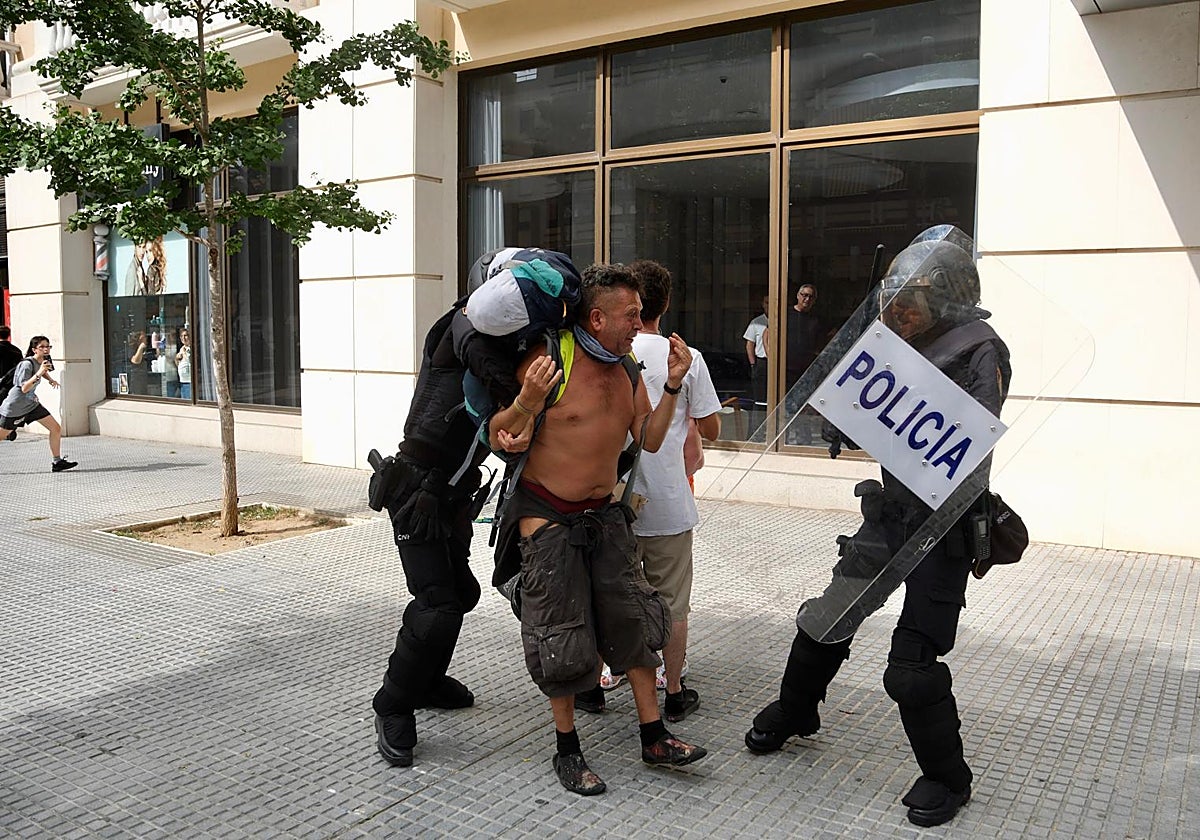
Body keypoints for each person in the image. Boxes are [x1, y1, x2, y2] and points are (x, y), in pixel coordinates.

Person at [745, 229, 1010, 828]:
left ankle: (948, 777)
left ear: (946, 296)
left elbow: (967, 444)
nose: (900, 311)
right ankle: (797, 710)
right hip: (891, 514)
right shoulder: (899, 342)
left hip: (943, 524)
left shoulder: (978, 348)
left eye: (912, 299)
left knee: (910, 662)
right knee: (826, 616)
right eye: (896, 300)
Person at [490, 263, 708, 796]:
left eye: (639, 313)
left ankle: (653, 734)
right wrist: (525, 405)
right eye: (630, 314)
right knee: (559, 632)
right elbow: (500, 434)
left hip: (604, 513)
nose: (639, 322)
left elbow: (651, 439)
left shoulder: (628, 368)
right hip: (546, 515)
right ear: (597, 317)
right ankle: (568, 749)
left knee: (631, 619)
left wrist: (674, 386)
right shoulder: (551, 360)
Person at [627, 260, 722, 722]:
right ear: (664, 305)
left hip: (613, 502)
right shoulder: (685, 357)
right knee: (671, 603)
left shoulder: (610, 352)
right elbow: (713, 427)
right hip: (667, 501)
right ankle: (675, 690)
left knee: (613, 592)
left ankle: (601, 680)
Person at [0, 335, 78, 472]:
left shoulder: (45, 360)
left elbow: (42, 371)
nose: (46, 349)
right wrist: (40, 372)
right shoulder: (26, 364)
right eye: (42, 347)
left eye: (48, 346)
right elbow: (24, 388)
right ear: (34, 349)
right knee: (3, 435)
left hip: (31, 404)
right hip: (15, 407)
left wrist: (49, 379)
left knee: (56, 428)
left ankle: (57, 462)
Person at [781, 284, 826, 444]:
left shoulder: (816, 319)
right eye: (804, 295)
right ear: (798, 296)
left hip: (806, 370)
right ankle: (782, 439)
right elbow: (768, 334)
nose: (806, 299)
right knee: (784, 407)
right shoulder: (785, 314)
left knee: (803, 407)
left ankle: (803, 439)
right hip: (784, 369)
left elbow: (821, 344)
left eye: (810, 297)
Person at [742, 295, 769, 405]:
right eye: (767, 303)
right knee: (760, 397)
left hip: (779, 364)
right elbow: (750, 344)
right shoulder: (756, 322)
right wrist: (753, 364)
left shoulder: (783, 321)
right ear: (763, 304)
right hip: (762, 362)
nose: (769, 306)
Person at [175, 327, 193, 400]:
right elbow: (178, 364)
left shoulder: (192, 348)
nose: (183, 338)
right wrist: (176, 358)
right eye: (181, 336)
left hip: (190, 381)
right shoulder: (181, 348)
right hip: (182, 381)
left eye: (186, 335)